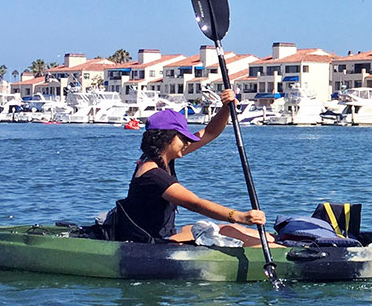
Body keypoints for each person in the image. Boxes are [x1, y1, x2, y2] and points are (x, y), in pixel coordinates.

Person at [116, 91, 270, 246]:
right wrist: (239, 216)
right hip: (151, 245)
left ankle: (281, 242)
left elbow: (209, 132)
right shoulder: (152, 175)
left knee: (228, 229)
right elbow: (195, 204)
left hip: (165, 235)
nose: (187, 143)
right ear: (165, 138)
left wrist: (226, 108)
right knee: (232, 231)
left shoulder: (161, 157)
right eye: (183, 138)